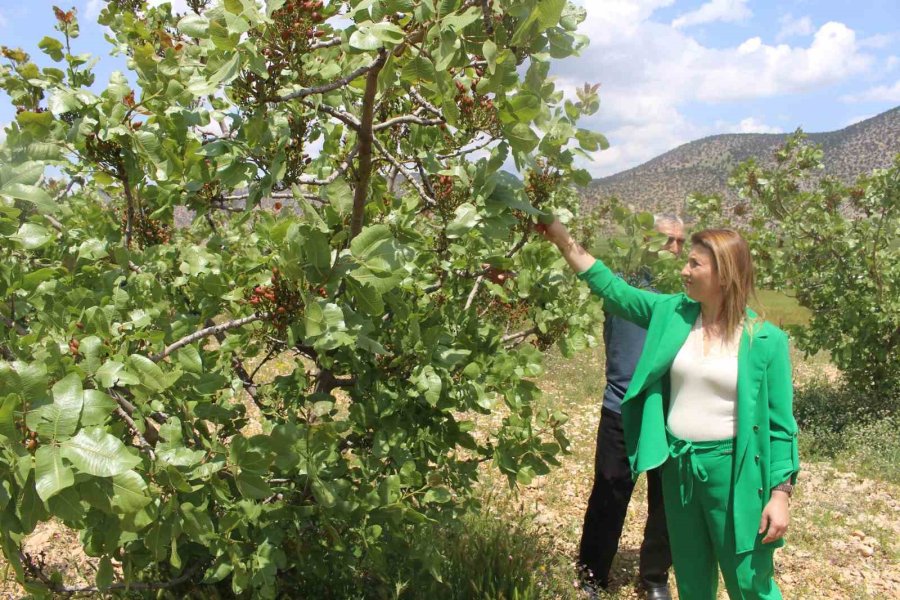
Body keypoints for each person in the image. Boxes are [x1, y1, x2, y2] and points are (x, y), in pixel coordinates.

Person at [538, 219, 799, 600]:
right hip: (679, 468)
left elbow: (780, 426)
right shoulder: (673, 313)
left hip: (734, 472)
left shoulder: (765, 340)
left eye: (695, 264)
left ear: (724, 275)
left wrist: (780, 495)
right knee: (692, 579)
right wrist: (563, 239)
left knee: (749, 580)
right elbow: (613, 289)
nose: (684, 269)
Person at [578, 216, 685, 600]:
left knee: (668, 499)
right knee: (609, 491)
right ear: (645, 241)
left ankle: (654, 576)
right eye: (668, 240)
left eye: (680, 242)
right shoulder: (624, 288)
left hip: (672, 413)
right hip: (621, 407)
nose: (675, 248)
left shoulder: (687, 299)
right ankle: (592, 572)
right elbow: (594, 275)